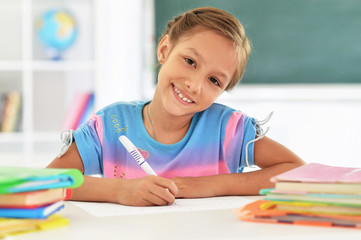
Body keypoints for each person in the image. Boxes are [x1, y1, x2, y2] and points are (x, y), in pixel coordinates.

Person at [47, 7, 304, 206]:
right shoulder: (110, 125)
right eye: (190, 61)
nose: (194, 85)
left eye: (214, 80)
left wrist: (210, 185)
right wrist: (122, 191)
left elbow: (299, 173)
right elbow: (47, 182)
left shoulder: (229, 130)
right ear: (164, 49)